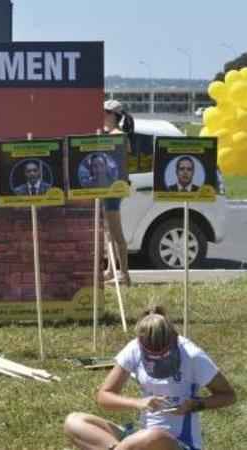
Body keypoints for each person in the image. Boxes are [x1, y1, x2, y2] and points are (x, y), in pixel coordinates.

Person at [64, 306, 236, 450]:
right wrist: (139, 403)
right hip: (139, 438)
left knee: (155, 436)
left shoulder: (193, 356)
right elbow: (104, 396)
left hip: (178, 443)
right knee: (74, 422)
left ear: (175, 338)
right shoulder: (134, 348)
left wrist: (195, 405)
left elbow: (228, 395)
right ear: (141, 343)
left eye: (164, 356)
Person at [102, 99, 133, 286]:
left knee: (116, 232)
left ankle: (124, 275)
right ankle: (111, 270)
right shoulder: (111, 134)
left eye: (104, 112)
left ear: (113, 115)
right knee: (108, 233)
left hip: (113, 188)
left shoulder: (118, 136)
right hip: (108, 187)